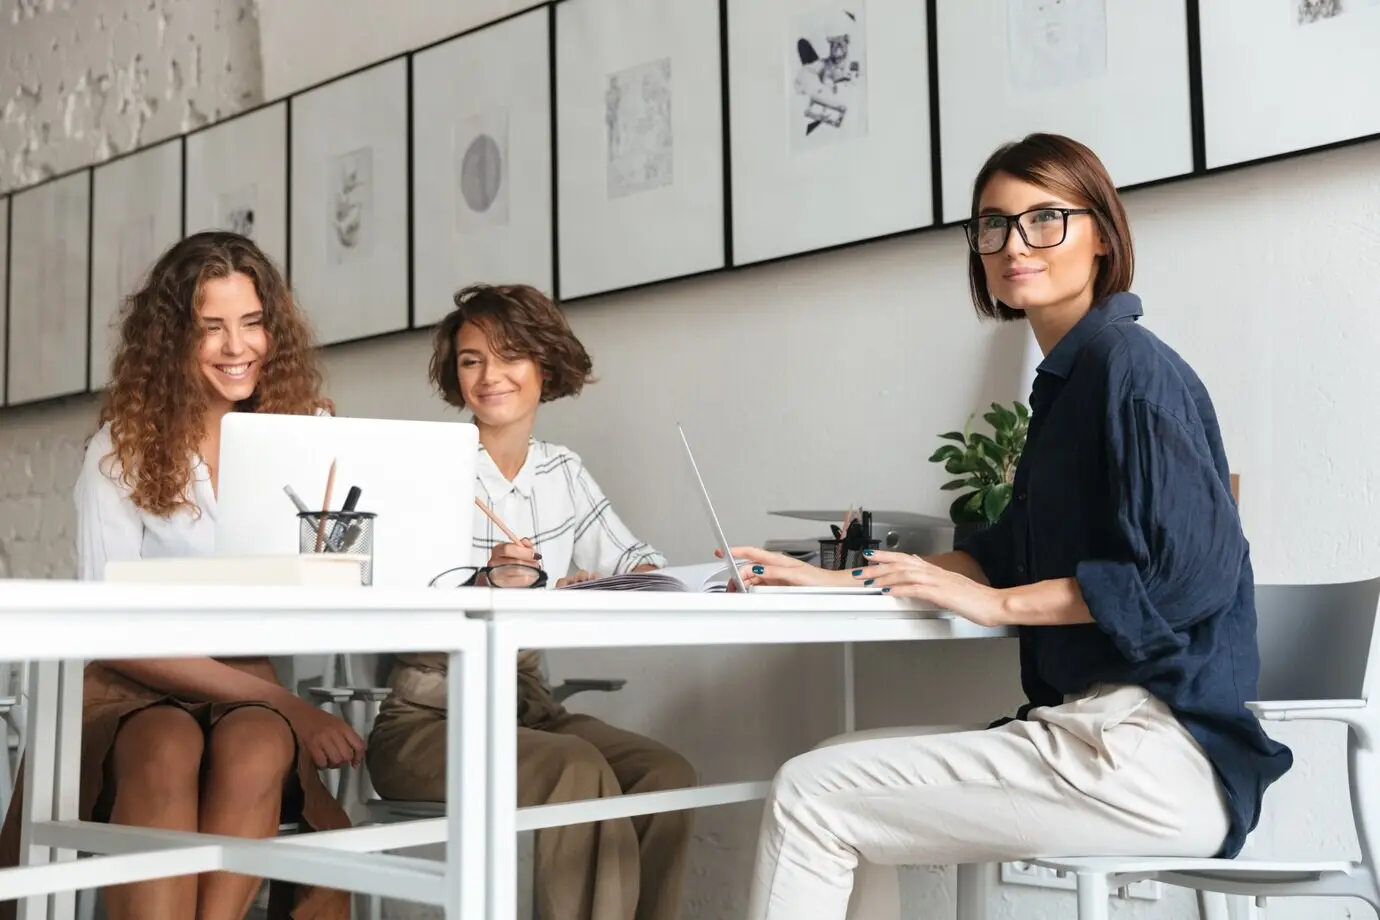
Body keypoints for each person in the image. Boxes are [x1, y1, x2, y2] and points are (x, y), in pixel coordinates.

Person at [726, 134, 1294, 920]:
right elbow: (997, 558)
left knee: (811, 796)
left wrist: (999, 607)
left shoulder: (1128, 364)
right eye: (994, 225)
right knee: (834, 766)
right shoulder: (1066, 387)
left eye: (1045, 220)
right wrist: (844, 578)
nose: (1014, 244)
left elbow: (1184, 574)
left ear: (1102, 234)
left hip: (1161, 752)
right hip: (1099, 734)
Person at [0, 231, 362, 920]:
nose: (238, 346)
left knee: (257, 744)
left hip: (245, 684)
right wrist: (292, 706)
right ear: (172, 340)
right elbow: (117, 634)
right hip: (126, 682)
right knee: (167, 744)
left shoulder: (303, 433)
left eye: (253, 323)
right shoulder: (120, 450)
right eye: (212, 327)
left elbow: (333, 585)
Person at [366, 283, 698, 920]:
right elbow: (387, 607)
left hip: (529, 714)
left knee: (666, 777)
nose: (490, 376)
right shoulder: (424, 471)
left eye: (510, 355)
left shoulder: (561, 472)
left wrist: (630, 579)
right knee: (574, 769)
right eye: (471, 360)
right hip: (426, 722)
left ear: (544, 365)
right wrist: (479, 585)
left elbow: (634, 563)